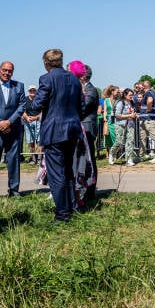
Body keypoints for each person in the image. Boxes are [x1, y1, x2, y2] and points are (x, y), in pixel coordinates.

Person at [26, 48, 84, 222]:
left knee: (56, 173)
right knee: (67, 170)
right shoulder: (74, 79)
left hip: (54, 130)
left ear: (46, 63)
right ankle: (71, 206)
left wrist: (28, 105)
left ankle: (62, 214)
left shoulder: (47, 79)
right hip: (72, 129)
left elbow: (37, 105)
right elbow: (81, 104)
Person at [0, 61, 26, 198]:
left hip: (13, 130)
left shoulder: (19, 86)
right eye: (4, 70)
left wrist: (9, 122)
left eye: (10, 71)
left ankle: (14, 189)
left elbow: (22, 106)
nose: (6, 73)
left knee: (13, 161)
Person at [79, 64, 101, 199]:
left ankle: (90, 191)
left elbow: (83, 106)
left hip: (87, 128)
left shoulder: (91, 90)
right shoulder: (85, 89)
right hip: (82, 127)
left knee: (90, 160)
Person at [138, 81, 155, 163]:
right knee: (142, 138)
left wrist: (148, 110)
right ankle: (141, 156)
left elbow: (150, 101)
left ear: (144, 87)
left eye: (140, 87)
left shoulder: (149, 93)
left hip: (149, 120)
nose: (138, 89)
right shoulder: (147, 93)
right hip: (144, 120)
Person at [113, 89, 137, 165]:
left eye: (132, 95)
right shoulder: (120, 103)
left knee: (130, 141)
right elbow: (117, 115)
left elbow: (132, 112)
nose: (131, 96)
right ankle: (112, 153)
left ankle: (129, 159)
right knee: (119, 142)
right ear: (125, 95)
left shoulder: (132, 103)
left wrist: (135, 115)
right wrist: (129, 115)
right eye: (130, 95)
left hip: (130, 124)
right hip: (120, 124)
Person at [23, 85, 42, 164]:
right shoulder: (25, 100)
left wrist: (35, 117)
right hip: (28, 121)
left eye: (34, 90)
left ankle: (39, 158)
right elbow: (22, 111)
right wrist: (27, 117)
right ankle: (33, 158)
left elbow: (42, 112)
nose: (32, 92)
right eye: (31, 90)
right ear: (28, 91)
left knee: (39, 140)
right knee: (30, 141)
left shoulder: (39, 99)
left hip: (38, 121)